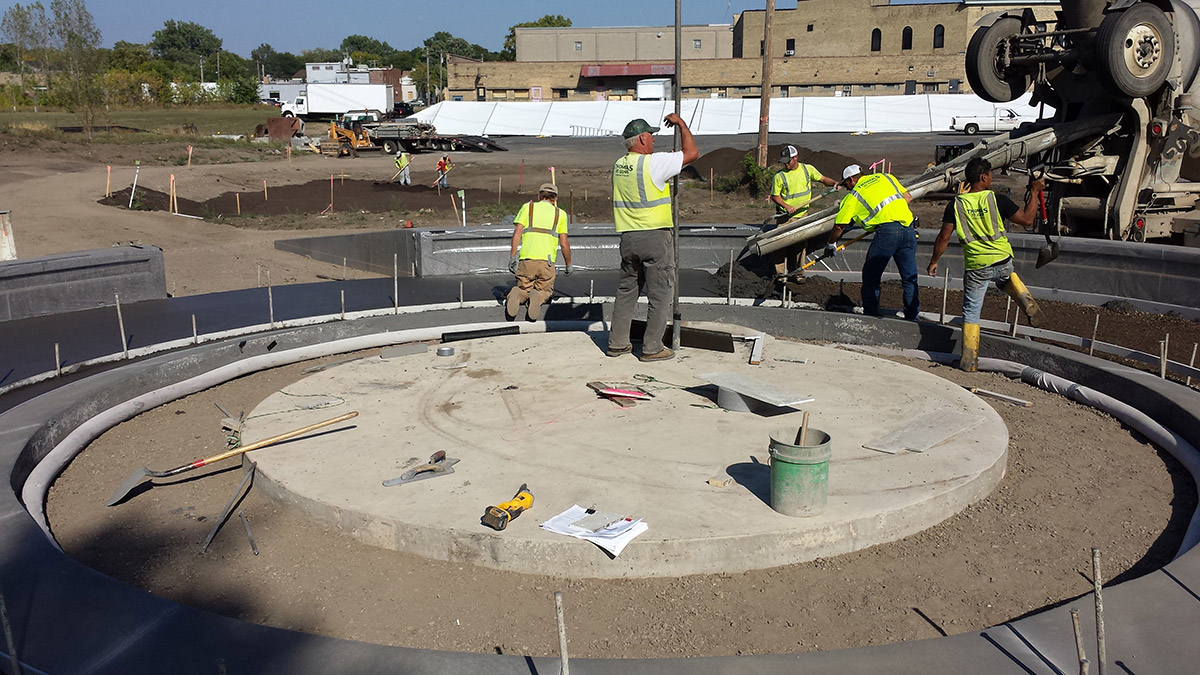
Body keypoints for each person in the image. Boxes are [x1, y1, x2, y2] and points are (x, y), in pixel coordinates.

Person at [927, 158, 1046, 371]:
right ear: (983, 177)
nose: (991, 178)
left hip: (976, 265)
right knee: (1005, 278)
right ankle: (1024, 297)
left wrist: (934, 261)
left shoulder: (956, 204)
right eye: (990, 174)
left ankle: (969, 360)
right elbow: (1028, 220)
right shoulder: (996, 199)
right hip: (1002, 258)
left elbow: (943, 237)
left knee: (972, 310)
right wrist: (1035, 192)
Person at [605, 113, 699, 362]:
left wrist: (665, 161)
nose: (654, 141)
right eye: (652, 136)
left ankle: (617, 344)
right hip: (654, 238)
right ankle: (652, 348)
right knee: (659, 294)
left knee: (627, 292)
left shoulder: (619, 166)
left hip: (628, 238)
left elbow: (643, 183)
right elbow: (692, 153)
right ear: (643, 139)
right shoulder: (653, 163)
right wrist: (681, 124)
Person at [825, 165, 920, 320]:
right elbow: (908, 197)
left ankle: (870, 315)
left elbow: (839, 226)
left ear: (852, 179)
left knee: (871, 275)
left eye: (846, 184)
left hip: (888, 233)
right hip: (908, 228)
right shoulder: (886, 177)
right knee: (909, 277)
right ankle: (912, 316)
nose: (846, 188)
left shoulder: (854, 195)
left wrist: (831, 243)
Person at [505, 183, 572, 321]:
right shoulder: (560, 214)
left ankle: (518, 293)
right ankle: (539, 296)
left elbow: (517, 233)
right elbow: (564, 243)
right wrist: (568, 264)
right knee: (545, 290)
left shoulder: (527, 207)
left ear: (538, 196)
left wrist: (513, 257)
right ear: (555, 199)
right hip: (546, 263)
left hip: (526, 260)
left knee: (524, 288)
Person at [769, 144, 838, 276]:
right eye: (784, 162)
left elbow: (823, 179)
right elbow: (775, 196)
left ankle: (798, 273)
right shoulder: (779, 176)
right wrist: (787, 206)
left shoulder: (807, 170)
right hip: (785, 217)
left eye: (788, 161)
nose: (786, 165)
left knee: (801, 246)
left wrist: (833, 183)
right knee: (780, 246)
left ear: (795, 158)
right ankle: (780, 275)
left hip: (802, 216)